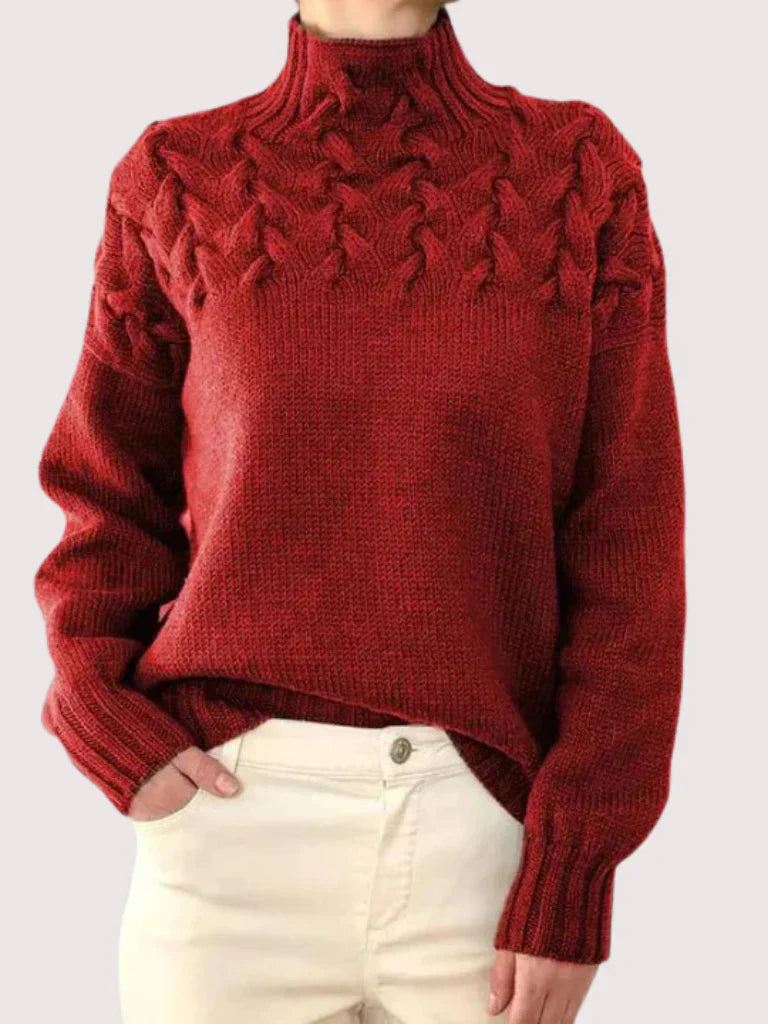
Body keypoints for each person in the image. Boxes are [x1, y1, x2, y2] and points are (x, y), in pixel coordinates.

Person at [33, 1, 686, 1021]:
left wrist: (577, 865)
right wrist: (102, 719)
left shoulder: (577, 173)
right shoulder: (174, 176)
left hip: (483, 835)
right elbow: (104, 498)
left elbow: (628, 545)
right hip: (225, 835)